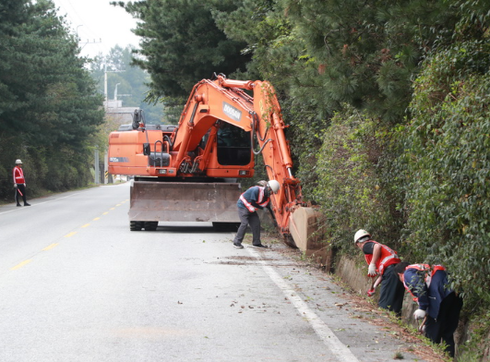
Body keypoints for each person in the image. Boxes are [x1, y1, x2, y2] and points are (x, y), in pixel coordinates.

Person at [395, 262, 463, 358]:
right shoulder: (422, 268)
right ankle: (448, 358)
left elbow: (420, 286)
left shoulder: (408, 273)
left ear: (400, 274)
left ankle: (430, 358)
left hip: (440, 295)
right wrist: (426, 322)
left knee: (432, 335)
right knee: (447, 332)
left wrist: (422, 308)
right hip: (455, 294)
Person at [354, 229, 405, 316]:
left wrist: (372, 264)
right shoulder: (383, 251)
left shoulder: (366, 245)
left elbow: (377, 247)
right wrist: (374, 286)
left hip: (391, 273)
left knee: (384, 305)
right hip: (399, 273)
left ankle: (384, 324)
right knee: (396, 305)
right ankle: (395, 325)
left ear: (358, 243)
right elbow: (383, 273)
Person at [233, 180, 280, 249]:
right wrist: (262, 208)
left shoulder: (266, 197)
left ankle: (256, 242)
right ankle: (236, 242)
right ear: (268, 188)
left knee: (256, 223)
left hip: (251, 208)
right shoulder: (256, 190)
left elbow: (268, 208)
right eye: (271, 192)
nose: (271, 194)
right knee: (244, 223)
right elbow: (252, 202)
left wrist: (274, 219)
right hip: (243, 206)